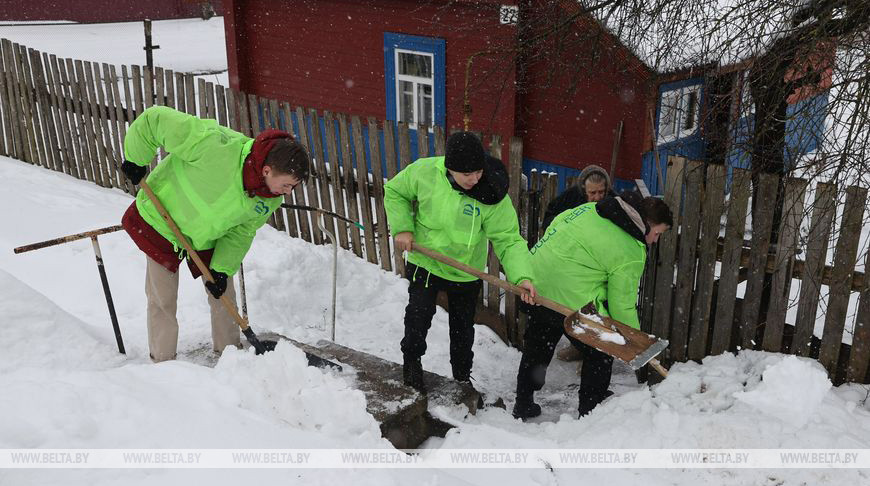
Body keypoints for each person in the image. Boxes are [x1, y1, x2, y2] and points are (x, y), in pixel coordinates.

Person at [119, 105, 310, 362]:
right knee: (162, 298)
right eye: (287, 184)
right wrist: (135, 159)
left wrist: (221, 268)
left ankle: (230, 356)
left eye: (293, 187)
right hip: (162, 222)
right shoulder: (213, 145)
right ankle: (163, 364)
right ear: (267, 170)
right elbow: (155, 120)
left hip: (208, 234)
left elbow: (242, 232)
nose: (288, 192)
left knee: (223, 293)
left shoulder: (269, 197)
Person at [384, 131, 537, 392]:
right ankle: (411, 365)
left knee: (463, 330)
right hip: (427, 261)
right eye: (467, 174)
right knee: (417, 317)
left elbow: (508, 239)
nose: (474, 179)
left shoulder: (491, 193)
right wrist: (403, 228)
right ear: (449, 168)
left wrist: (522, 276)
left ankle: (462, 378)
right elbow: (395, 191)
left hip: (465, 271)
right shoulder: (424, 172)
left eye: (478, 172)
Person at [512, 191, 672, 419]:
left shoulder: (591, 209)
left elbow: (556, 223)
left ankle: (523, 402)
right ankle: (590, 410)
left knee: (538, 346)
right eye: (657, 233)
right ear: (646, 225)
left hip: (535, 283)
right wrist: (634, 340)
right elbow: (622, 304)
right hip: (569, 298)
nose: (655, 240)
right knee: (602, 349)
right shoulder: (632, 249)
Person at [539, 164, 616, 362]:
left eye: (601, 192)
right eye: (593, 192)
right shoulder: (569, 200)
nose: (598, 197)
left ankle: (589, 352)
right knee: (564, 311)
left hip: (596, 266)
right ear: (583, 190)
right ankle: (578, 346)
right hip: (567, 264)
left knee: (595, 309)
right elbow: (549, 221)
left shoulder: (613, 202)